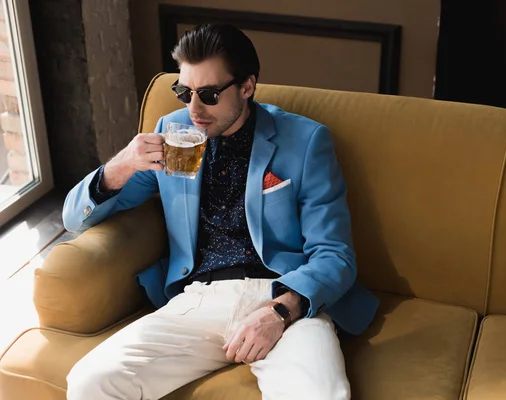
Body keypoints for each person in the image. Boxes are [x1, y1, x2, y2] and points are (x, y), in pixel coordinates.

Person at [63, 23, 378, 400]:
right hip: (199, 296)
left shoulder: (306, 141)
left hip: (282, 295)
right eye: (183, 92)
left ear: (247, 87)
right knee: (90, 381)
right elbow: (73, 219)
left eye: (209, 94)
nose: (193, 109)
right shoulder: (172, 132)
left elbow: (334, 254)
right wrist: (124, 163)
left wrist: (280, 311)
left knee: (318, 394)